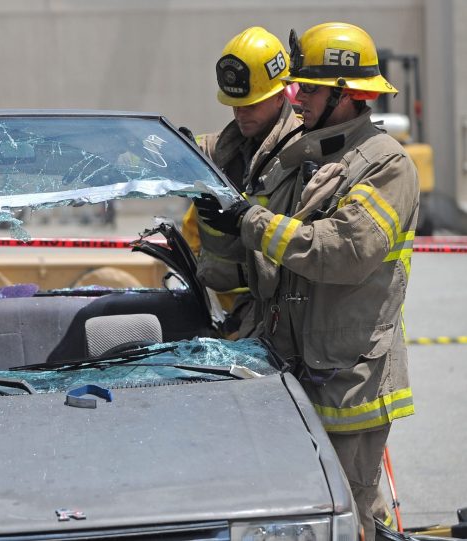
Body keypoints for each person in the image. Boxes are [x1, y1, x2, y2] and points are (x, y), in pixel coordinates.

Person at [196, 22, 416, 541]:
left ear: (349, 93)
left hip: (349, 381)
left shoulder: (385, 165)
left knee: (348, 517)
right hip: (301, 368)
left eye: (311, 90)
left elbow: (342, 252)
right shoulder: (317, 155)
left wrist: (248, 220)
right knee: (304, 517)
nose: (298, 100)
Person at [181, 26, 303, 336]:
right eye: (235, 105)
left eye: (250, 105)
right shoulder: (228, 149)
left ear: (280, 95)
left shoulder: (303, 156)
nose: (240, 114)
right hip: (226, 307)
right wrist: (174, 148)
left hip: (277, 314)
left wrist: (242, 222)